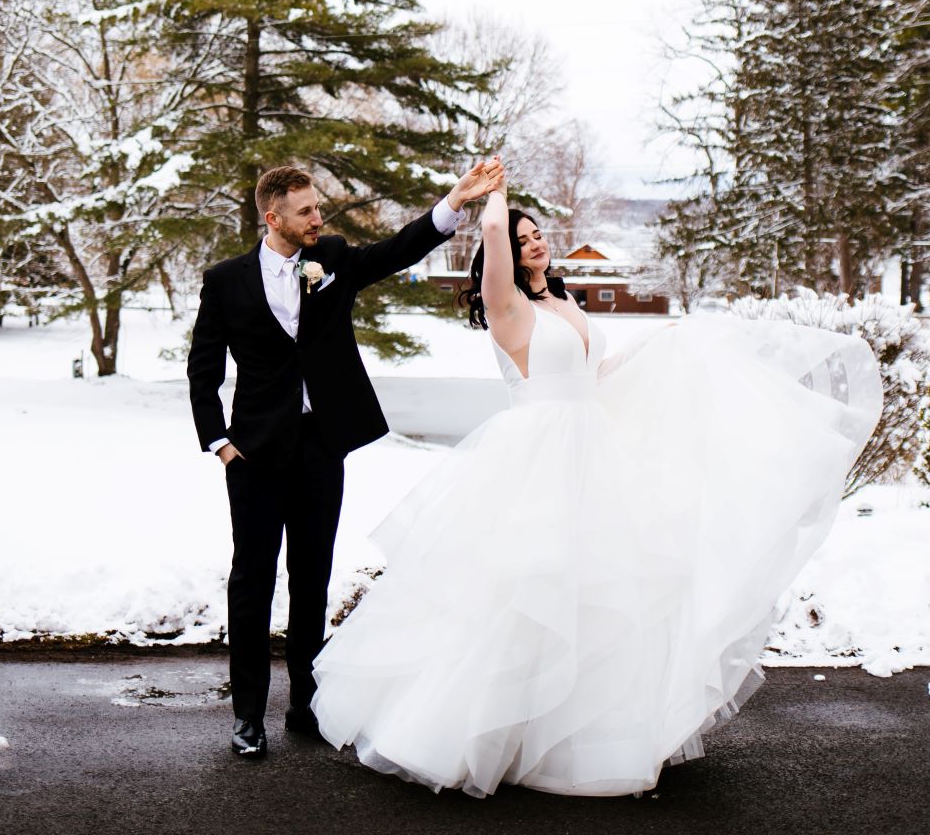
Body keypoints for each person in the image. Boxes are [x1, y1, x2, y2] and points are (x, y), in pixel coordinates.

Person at [310, 169, 883, 797]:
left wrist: (661, 347)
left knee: (597, 596)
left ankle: (580, 740)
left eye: (537, 234)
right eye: (521, 237)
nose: (533, 242)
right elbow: (495, 231)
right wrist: (494, 193)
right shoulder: (507, 308)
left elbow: (593, 371)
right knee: (522, 595)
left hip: (594, 454)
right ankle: (473, 731)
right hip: (534, 458)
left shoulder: (563, 302)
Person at [188, 160, 505, 757]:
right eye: (306, 210)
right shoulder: (225, 280)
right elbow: (202, 371)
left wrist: (453, 202)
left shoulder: (330, 258)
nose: (318, 217)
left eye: (318, 208)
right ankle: (247, 716)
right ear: (272, 215)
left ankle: (305, 704)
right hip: (253, 455)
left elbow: (395, 251)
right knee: (251, 584)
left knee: (313, 580)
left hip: (319, 449)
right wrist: (220, 443)